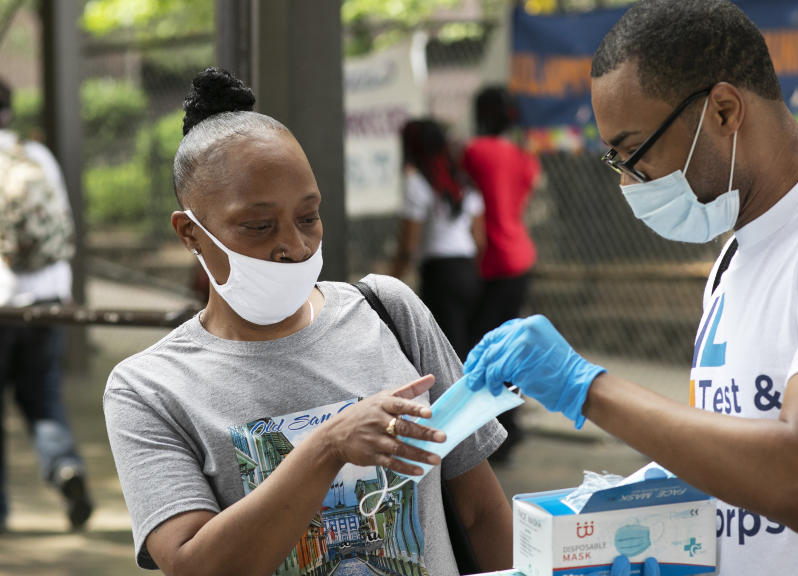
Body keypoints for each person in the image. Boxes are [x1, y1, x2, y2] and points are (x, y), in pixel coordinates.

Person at [463, 2, 798, 574]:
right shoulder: (734, 259)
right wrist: (617, 520)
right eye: (615, 159)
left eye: (635, 152)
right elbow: (735, 454)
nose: (628, 181)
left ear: (724, 110)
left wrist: (587, 388)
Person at [103, 68, 513, 576]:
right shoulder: (148, 389)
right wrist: (327, 447)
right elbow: (193, 566)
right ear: (190, 233)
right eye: (258, 226)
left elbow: (481, 512)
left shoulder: (388, 311)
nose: (293, 247)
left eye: (308, 217)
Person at [0, 78, 93, 532]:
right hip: (48, 300)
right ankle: (64, 468)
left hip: (1, 305)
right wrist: (62, 287)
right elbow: (64, 229)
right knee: (43, 397)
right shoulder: (35, 155)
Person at [463, 86, 540, 461]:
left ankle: (500, 433)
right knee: (507, 347)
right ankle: (512, 426)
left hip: (491, 262)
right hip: (520, 258)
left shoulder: (474, 153)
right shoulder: (524, 157)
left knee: (482, 351)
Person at [391, 119, 485, 361]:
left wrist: (390, 280)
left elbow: (409, 246)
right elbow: (479, 238)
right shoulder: (462, 180)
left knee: (447, 354)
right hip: (468, 269)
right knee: (466, 347)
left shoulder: (418, 183)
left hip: (439, 274)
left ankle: (458, 400)